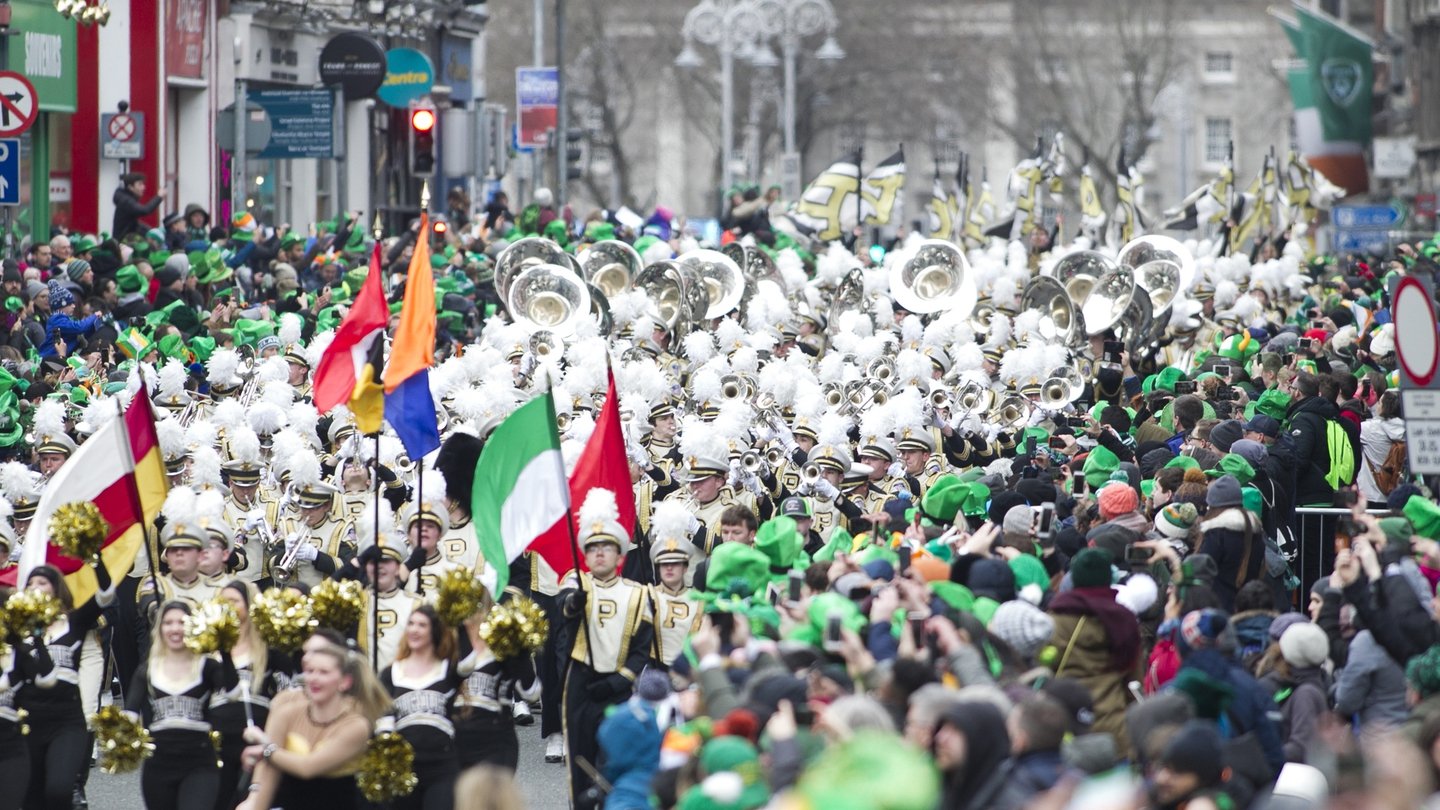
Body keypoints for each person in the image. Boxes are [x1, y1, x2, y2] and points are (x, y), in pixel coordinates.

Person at [558, 489, 656, 803]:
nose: (599, 553)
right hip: (582, 683)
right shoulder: (575, 582)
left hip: (618, 685)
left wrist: (619, 680)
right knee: (580, 757)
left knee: (617, 757)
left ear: (620, 555)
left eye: (607, 547)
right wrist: (575, 603)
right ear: (585, 555)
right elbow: (562, 612)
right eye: (593, 548)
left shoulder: (638, 593)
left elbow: (643, 647)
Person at [238, 639, 389, 810]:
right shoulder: (286, 713)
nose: (314, 679)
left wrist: (266, 747)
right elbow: (268, 774)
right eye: (310, 671)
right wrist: (255, 803)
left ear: (344, 682)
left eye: (324, 673)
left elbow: (308, 768)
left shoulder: (356, 725)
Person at [17, 560, 114, 810]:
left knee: (59, 790)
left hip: (66, 722)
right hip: (28, 722)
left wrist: (94, 557)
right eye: (30, 583)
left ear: (56, 588)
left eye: (42, 582)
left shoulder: (74, 621)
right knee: (31, 798)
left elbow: (105, 593)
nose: (35, 587)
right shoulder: (16, 629)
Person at [126, 600, 239, 810]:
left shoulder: (207, 667)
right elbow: (130, 714)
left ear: (193, 626)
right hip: (158, 765)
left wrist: (225, 651)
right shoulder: (147, 671)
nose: (175, 628)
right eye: (168, 623)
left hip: (200, 763)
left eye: (181, 622)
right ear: (159, 629)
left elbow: (233, 693)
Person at [378, 604, 477, 810]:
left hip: (442, 766)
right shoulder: (391, 673)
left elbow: (468, 664)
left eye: (422, 625)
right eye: (411, 624)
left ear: (435, 631)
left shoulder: (448, 670)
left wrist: (459, 623)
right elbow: (384, 722)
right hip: (404, 769)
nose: (414, 630)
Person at [211, 580, 295, 810]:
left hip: (256, 740)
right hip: (216, 744)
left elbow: (286, 698)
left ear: (250, 607)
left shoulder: (271, 654)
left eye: (234, 601)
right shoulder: (205, 651)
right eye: (222, 601)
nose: (227, 606)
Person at [453, 594, 539, 773]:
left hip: (496, 740)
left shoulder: (504, 646)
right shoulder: (449, 643)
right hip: (456, 740)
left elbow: (532, 693)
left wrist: (521, 653)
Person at [933, 700, 1035, 810]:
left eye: (955, 730)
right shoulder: (950, 785)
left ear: (980, 739)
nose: (940, 738)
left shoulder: (1010, 798)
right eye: (942, 728)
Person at [112, 172, 165, 239]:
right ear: (130, 187)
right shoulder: (126, 201)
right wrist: (159, 197)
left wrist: (151, 231)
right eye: (140, 184)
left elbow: (134, 223)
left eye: (143, 184)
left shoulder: (126, 198)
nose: (143, 187)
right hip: (124, 243)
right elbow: (144, 210)